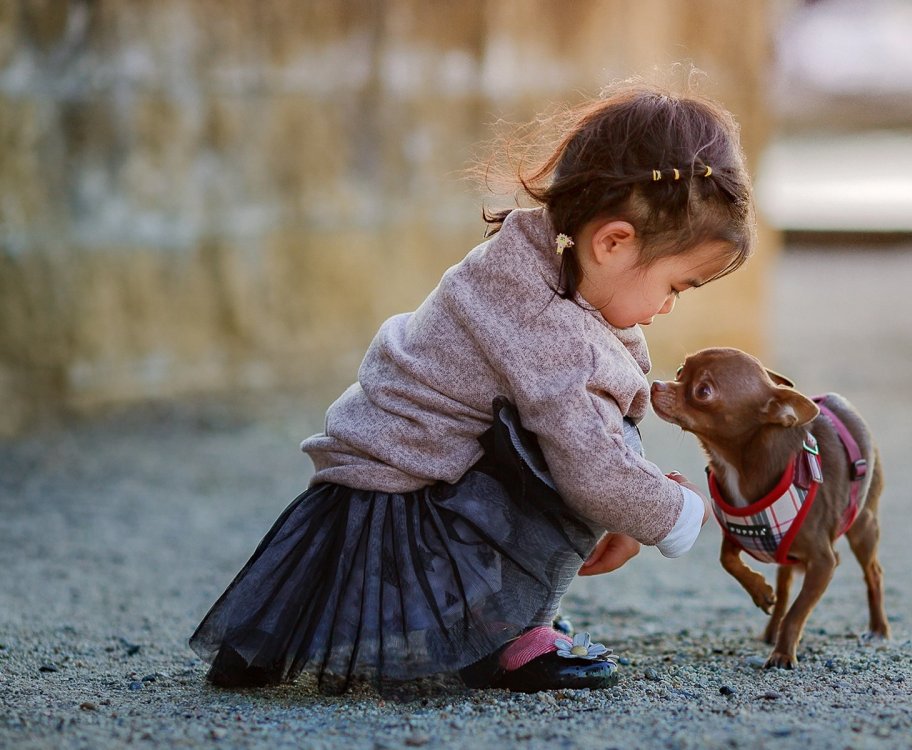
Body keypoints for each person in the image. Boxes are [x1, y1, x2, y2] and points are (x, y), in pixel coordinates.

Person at [189, 77, 756, 695]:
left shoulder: (528, 257)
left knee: (586, 439)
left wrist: (624, 502)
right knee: (583, 447)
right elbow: (593, 471)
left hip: (372, 492)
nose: (670, 307)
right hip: (415, 511)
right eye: (676, 286)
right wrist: (674, 513)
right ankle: (504, 635)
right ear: (614, 242)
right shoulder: (549, 329)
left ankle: (272, 645)